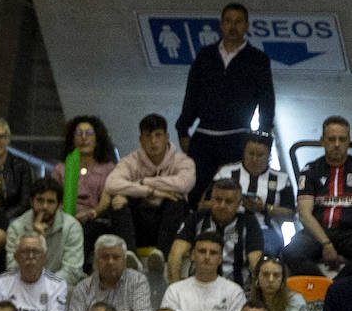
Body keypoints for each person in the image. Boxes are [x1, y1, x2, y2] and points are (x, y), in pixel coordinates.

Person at [176, 1, 276, 202]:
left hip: (237, 138)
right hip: (204, 138)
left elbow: (267, 102)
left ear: (246, 26)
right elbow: (192, 94)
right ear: (221, 24)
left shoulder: (257, 59)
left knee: (232, 194)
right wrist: (183, 128)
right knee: (197, 194)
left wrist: (264, 138)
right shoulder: (205, 55)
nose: (233, 26)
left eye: (238, 22)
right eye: (228, 21)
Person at [104, 113, 195, 264]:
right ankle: (129, 256)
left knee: (177, 198)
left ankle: (161, 256)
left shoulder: (182, 161)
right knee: (118, 201)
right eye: (148, 136)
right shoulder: (130, 161)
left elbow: (184, 184)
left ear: (166, 137)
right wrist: (150, 192)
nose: (153, 141)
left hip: (169, 222)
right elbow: (111, 183)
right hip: (139, 221)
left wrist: (144, 182)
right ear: (141, 140)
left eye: (158, 135)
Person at [166, 176, 263, 288]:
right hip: (197, 288)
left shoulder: (249, 223)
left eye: (228, 201)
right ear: (211, 200)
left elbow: (256, 263)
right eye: (217, 200)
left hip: (237, 292)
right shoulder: (197, 218)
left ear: (238, 204)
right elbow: (175, 255)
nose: (222, 206)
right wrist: (175, 289)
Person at [284, 115, 352, 275]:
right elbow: (304, 214)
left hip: (349, 232)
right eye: (331, 139)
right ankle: (320, 287)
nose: (337, 144)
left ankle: (339, 288)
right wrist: (327, 244)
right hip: (316, 232)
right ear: (322, 141)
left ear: (348, 141)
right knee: (290, 253)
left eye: (342, 139)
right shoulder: (310, 170)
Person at [160, 232, 244, 311]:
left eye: (213, 253)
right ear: (193, 255)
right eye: (202, 251)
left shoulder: (234, 291)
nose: (207, 257)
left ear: (220, 259)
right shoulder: (175, 291)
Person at [211, 131, 295, 256]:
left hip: (266, 229)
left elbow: (291, 214)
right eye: (251, 154)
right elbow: (204, 204)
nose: (254, 159)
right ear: (244, 152)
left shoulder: (281, 179)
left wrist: (265, 208)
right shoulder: (225, 173)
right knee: (224, 250)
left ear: (269, 155)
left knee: (264, 253)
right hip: (228, 226)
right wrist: (230, 204)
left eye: (260, 155)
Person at [61, 232, 151, 311]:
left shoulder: (137, 282)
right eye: (105, 257)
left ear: (124, 261)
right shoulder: (83, 287)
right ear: (96, 261)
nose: (110, 262)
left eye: (116, 257)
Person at [52, 115, 117, 263]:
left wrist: (91, 214)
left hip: (96, 219)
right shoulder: (61, 168)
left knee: (88, 231)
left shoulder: (108, 168)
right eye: (79, 133)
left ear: (97, 138)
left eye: (88, 134)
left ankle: (76, 270)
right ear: (72, 139)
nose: (83, 138)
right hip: (65, 218)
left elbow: (106, 200)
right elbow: (53, 198)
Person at [4, 176, 84, 289]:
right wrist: (34, 236)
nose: (45, 206)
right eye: (40, 200)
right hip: (24, 286)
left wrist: (43, 287)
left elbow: (72, 271)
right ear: (31, 202)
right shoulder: (16, 227)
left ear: (59, 205)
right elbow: (13, 267)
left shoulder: (72, 227)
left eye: (50, 202)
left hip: (58, 286)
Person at [0, 232, 67, 311]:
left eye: (36, 252)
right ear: (16, 256)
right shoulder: (1, 281)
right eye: (25, 251)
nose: (31, 256)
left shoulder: (57, 285)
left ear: (45, 257)